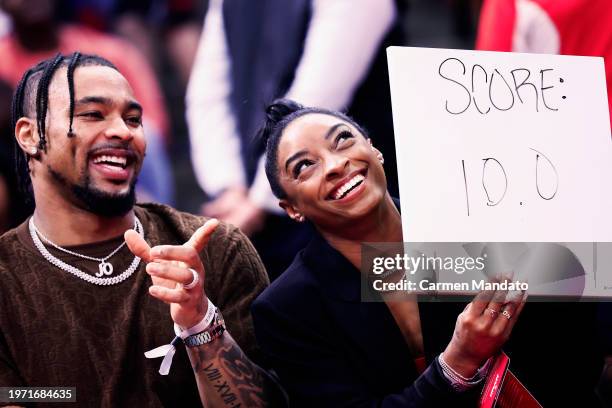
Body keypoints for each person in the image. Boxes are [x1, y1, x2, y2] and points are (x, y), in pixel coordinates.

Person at [0, 52, 284, 407]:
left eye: (133, 119)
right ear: (30, 135)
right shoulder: (6, 279)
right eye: (92, 114)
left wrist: (200, 326)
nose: (123, 130)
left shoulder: (216, 249)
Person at [250, 99, 529, 406]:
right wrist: (458, 362)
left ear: (374, 149)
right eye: (305, 166)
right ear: (291, 208)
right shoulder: (287, 309)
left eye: (342, 140)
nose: (335, 165)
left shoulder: (471, 219)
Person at [186, 0, 405, 280]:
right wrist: (230, 188)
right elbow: (207, 94)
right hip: (274, 202)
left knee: (410, 291)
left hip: (361, 195)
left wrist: (256, 201)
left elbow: (318, 98)